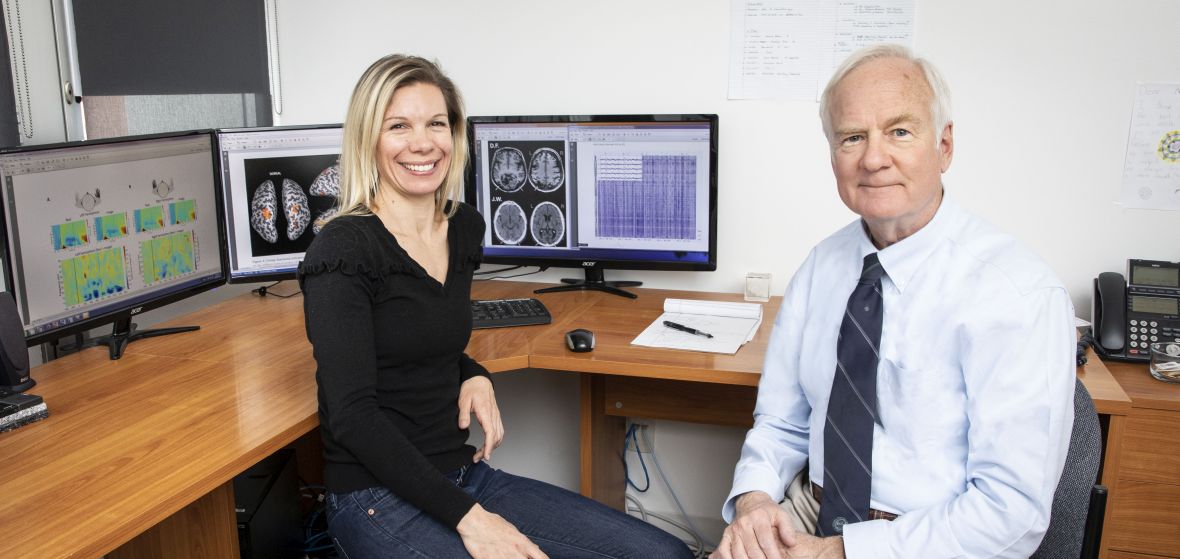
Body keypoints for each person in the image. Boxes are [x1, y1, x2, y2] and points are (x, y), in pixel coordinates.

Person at [298, 54, 693, 559]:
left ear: (454, 134)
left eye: (435, 124)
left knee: (666, 556)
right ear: (367, 139)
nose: (422, 143)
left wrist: (473, 371)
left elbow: (420, 333)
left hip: (462, 476)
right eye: (398, 126)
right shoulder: (344, 251)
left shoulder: (461, 227)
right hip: (376, 498)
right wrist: (472, 521)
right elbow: (352, 417)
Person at [712, 44, 1076, 559]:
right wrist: (753, 503)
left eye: (900, 131)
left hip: (929, 539)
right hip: (804, 516)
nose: (873, 158)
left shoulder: (1017, 293)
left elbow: (1009, 512)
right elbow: (781, 423)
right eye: (851, 137)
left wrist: (838, 552)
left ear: (945, 146)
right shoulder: (821, 267)